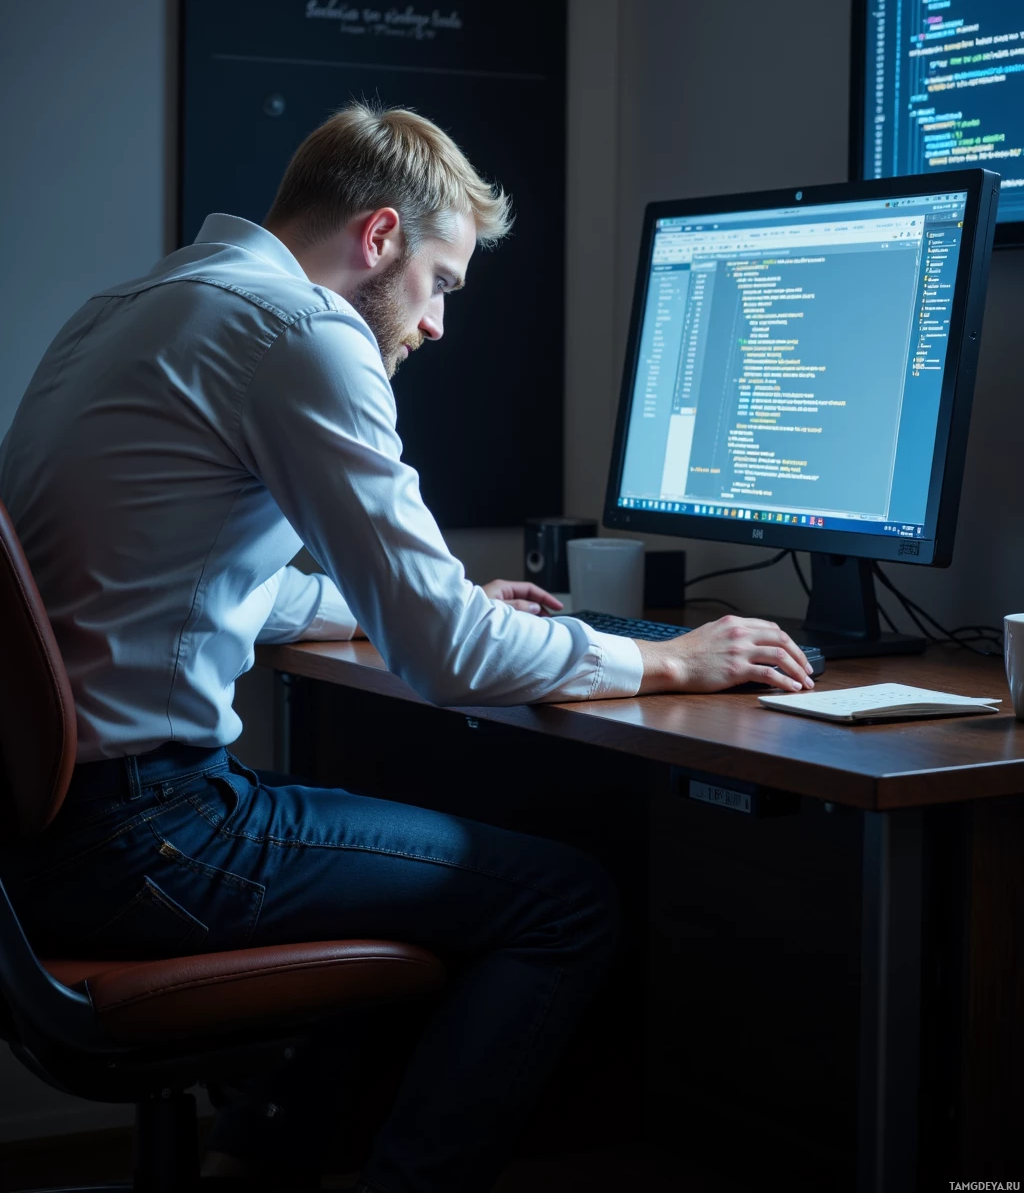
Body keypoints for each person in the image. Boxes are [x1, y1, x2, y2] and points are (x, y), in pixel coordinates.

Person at [0, 103, 813, 1192]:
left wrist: (407, 600)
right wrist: (666, 660)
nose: (436, 324)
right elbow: (447, 661)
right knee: (565, 904)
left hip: (40, 834)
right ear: (379, 237)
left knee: (419, 862)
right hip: (147, 837)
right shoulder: (301, 331)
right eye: (442, 282)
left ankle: (256, 1159)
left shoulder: (135, 306)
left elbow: (170, 582)